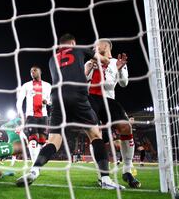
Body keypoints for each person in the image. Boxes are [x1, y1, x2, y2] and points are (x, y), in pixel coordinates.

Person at [16, 33, 124, 190]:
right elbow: (105, 60)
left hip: (57, 98)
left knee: (53, 141)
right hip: (77, 95)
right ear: (73, 43)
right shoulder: (79, 49)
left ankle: (34, 170)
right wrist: (106, 59)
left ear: (60, 46)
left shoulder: (52, 59)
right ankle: (105, 179)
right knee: (95, 135)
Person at [85, 39, 140, 188]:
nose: (95, 46)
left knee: (126, 127)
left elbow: (124, 83)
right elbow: (82, 82)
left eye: (97, 44)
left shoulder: (116, 61)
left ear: (106, 46)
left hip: (109, 100)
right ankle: (101, 174)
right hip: (91, 100)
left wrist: (121, 68)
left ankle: (127, 171)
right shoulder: (90, 61)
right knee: (96, 135)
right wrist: (90, 68)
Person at [16, 66, 52, 163]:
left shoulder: (48, 85)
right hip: (31, 116)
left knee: (42, 142)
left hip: (43, 116)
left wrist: (47, 102)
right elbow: (19, 101)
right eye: (31, 71)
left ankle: (38, 162)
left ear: (40, 72)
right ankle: (34, 166)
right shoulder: (26, 85)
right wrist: (20, 113)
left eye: (34, 70)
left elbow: (50, 101)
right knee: (33, 140)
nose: (32, 72)